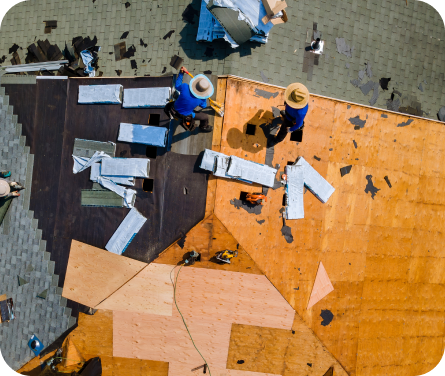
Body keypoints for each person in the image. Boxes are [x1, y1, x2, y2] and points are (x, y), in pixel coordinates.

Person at [166, 66, 214, 132]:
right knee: (205, 117)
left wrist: (181, 73)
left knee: (181, 97)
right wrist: (204, 97)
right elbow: (203, 106)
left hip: (174, 109)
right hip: (185, 116)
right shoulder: (201, 99)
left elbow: (177, 85)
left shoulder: (184, 86)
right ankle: (204, 127)